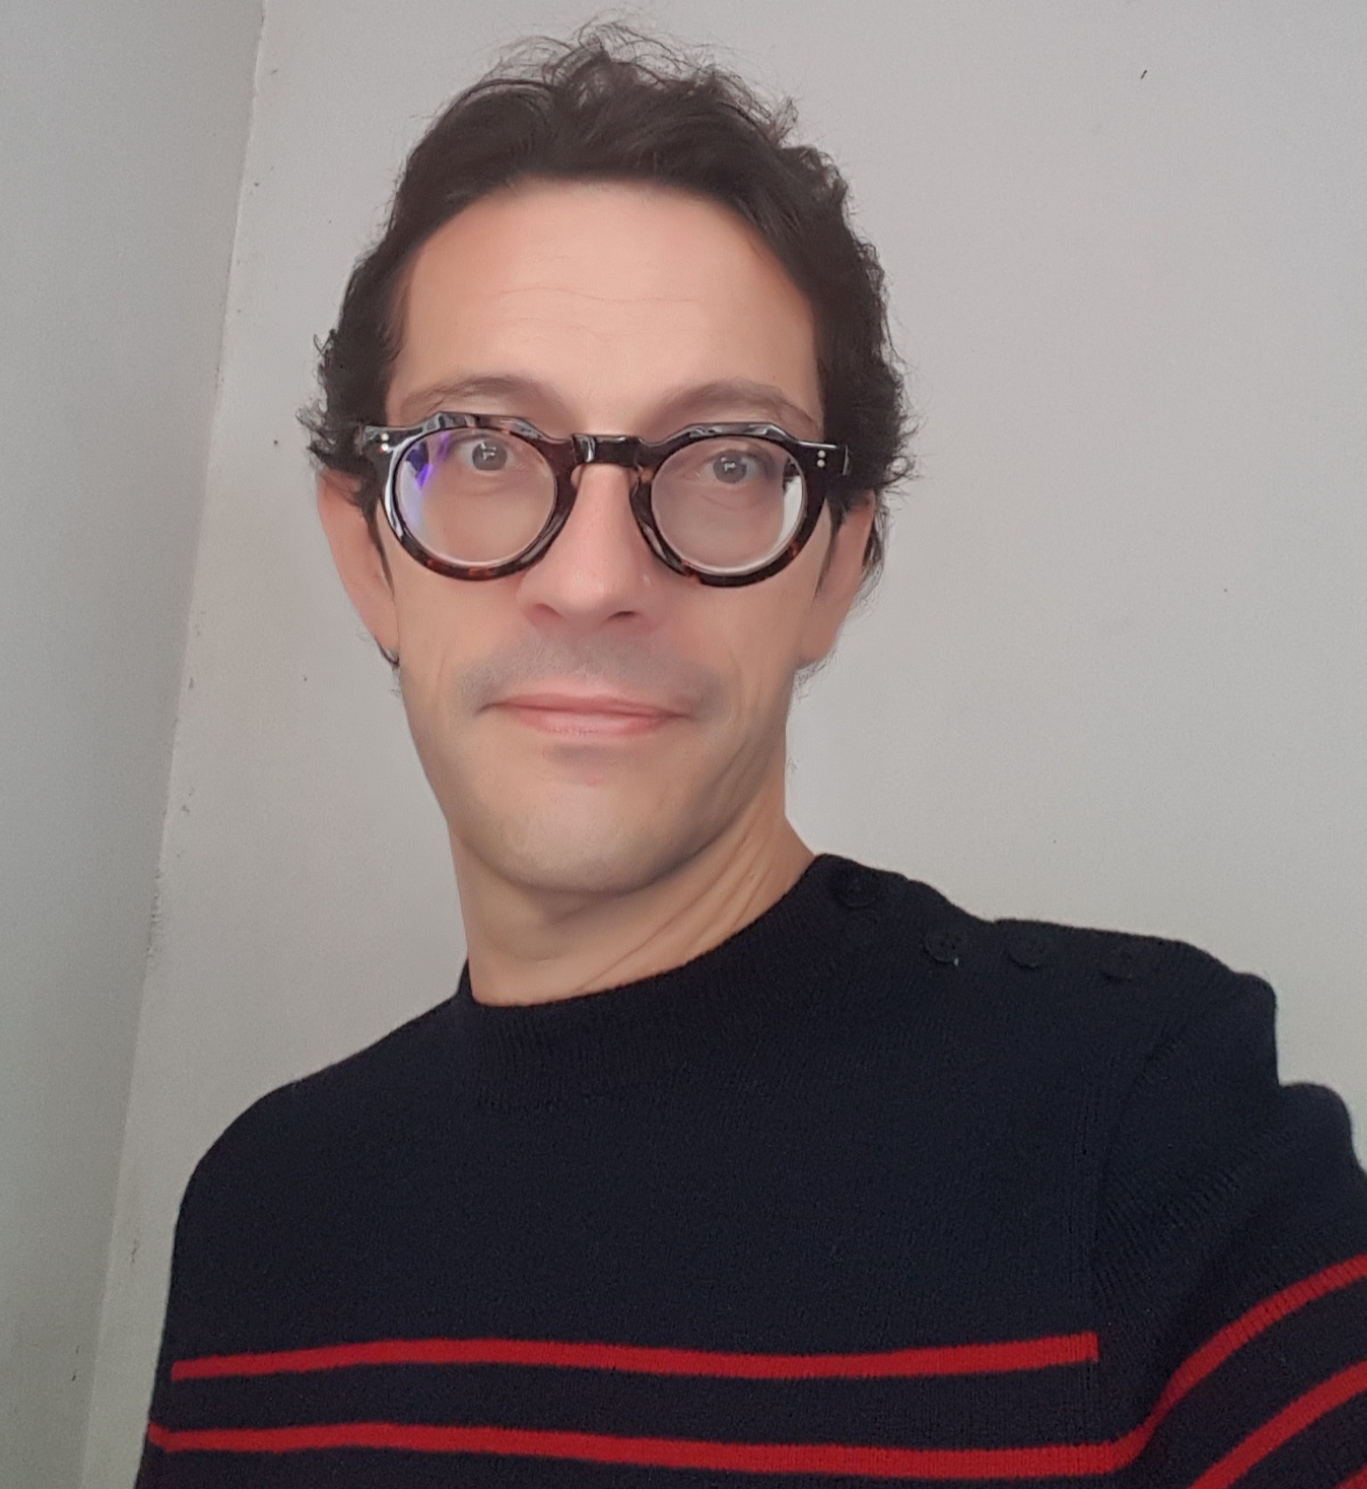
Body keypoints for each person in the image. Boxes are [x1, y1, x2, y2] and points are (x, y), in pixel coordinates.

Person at [136, 28, 1367, 1488]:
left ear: (836, 567)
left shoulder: (1149, 1142)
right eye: (484, 449)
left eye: (729, 461)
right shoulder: (261, 1214)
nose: (594, 580)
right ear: (365, 552)